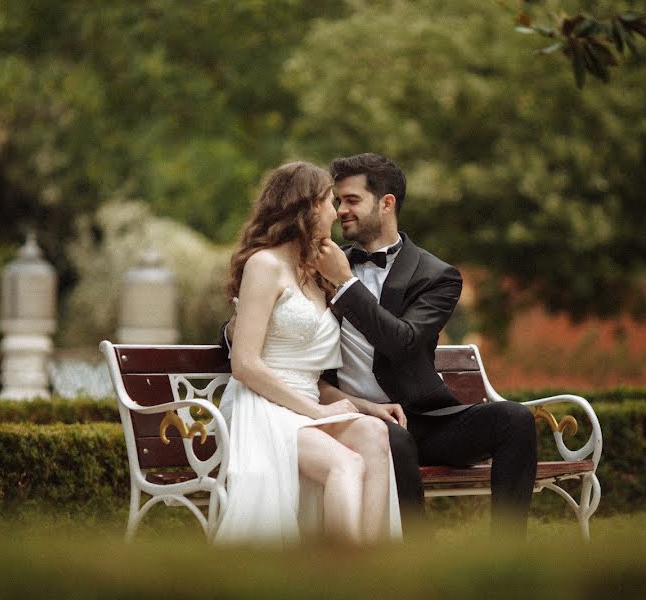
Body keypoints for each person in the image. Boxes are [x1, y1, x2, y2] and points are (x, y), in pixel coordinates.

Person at [313, 153, 538, 535]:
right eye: (338, 201)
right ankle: (420, 566)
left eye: (351, 200)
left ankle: (507, 555)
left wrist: (347, 285)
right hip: (348, 415)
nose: (340, 210)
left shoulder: (438, 277)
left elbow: (403, 343)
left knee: (515, 420)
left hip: (424, 420)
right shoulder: (323, 264)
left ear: (387, 203)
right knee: (393, 439)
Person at [215, 161, 401, 546]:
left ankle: (372, 572)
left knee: (372, 433)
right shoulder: (263, 265)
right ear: (307, 207)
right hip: (261, 406)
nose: (337, 211)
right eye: (329, 202)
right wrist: (315, 411)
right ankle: (340, 572)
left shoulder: (316, 272)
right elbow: (244, 364)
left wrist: (363, 405)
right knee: (345, 462)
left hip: (302, 404)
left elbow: (311, 378)